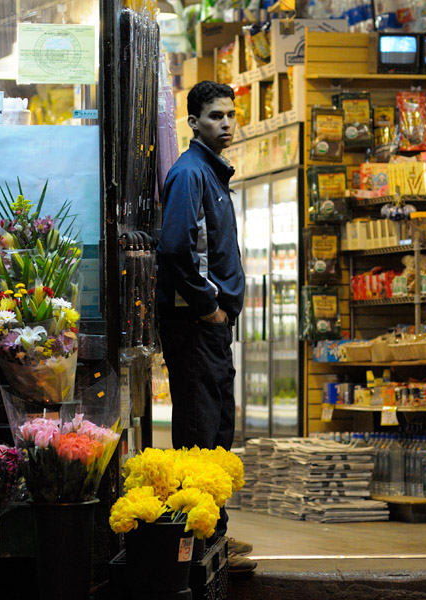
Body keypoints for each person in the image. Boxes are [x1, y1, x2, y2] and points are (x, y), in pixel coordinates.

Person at [156, 80, 256, 574]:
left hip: (211, 328)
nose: (226, 123)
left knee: (215, 430)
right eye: (215, 115)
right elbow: (174, 249)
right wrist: (206, 307)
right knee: (198, 433)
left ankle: (213, 536)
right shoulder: (190, 174)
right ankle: (194, 551)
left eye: (230, 115)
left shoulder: (212, 175)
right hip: (196, 328)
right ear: (193, 122)